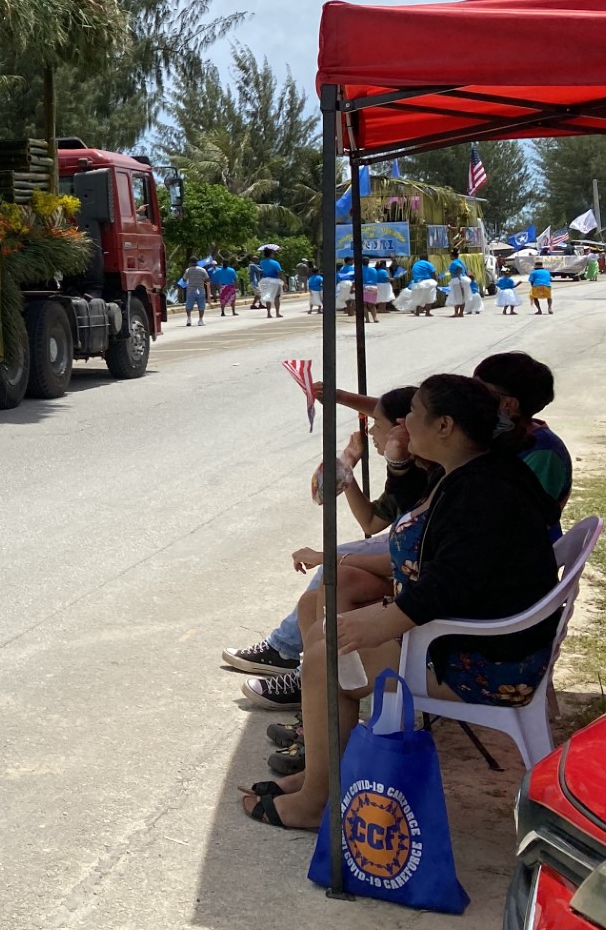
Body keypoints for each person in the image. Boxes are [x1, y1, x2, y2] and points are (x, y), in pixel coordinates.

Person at [242, 375, 558, 830]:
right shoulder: (477, 472)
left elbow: (451, 582)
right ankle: (323, 777)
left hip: (484, 659)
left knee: (324, 659)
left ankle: (315, 802)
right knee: (327, 636)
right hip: (479, 635)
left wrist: (382, 623)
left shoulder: (480, 490)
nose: (405, 423)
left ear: (445, 425)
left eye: (414, 413)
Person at [223, 387, 428, 698]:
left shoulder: (424, 477)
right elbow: (370, 521)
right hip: (407, 571)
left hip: (418, 591)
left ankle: (302, 667)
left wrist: (329, 558)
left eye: (378, 424)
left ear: (403, 429)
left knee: (335, 574)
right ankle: (307, 673)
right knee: (314, 597)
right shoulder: (403, 471)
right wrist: (347, 463)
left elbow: (401, 554)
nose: (371, 430)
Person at [477, 352, 571, 516]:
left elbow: (525, 516)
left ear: (509, 404)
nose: (469, 396)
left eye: (478, 390)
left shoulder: (544, 453)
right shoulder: (493, 435)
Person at [253, 250, 285, 319]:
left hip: (264, 280)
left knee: (268, 296)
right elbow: (280, 273)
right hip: (274, 281)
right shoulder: (275, 263)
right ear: (270, 254)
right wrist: (284, 281)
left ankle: (269, 313)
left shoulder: (262, 262)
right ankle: (277, 313)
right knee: (277, 297)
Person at [182, 261, 210, 326]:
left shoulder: (188, 270)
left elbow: (184, 279)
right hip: (200, 290)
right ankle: (200, 320)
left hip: (191, 290)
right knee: (201, 305)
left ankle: (189, 319)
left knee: (189, 305)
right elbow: (208, 279)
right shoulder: (202, 270)